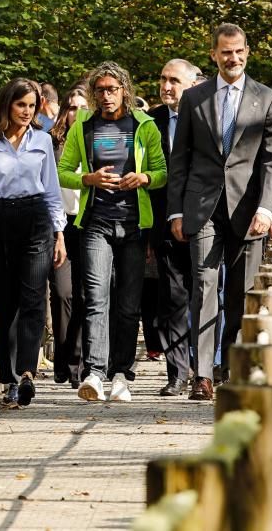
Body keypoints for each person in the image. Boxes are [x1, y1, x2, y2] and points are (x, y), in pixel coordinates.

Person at [167, 24, 272, 401]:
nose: (232, 58)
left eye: (238, 52)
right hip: (202, 208)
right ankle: (201, 375)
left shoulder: (267, 100)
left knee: (239, 293)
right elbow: (179, 160)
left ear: (247, 53)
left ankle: (229, 369)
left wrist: (268, 209)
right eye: (225, 52)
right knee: (203, 287)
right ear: (214, 55)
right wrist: (175, 213)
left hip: (249, 212)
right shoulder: (194, 98)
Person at [58, 62, 167, 403]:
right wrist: (88, 179)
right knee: (95, 298)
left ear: (124, 90)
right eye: (100, 90)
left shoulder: (144, 126)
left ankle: (123, 372)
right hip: (95, 223)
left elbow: (162, 172)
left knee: (129, 303)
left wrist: (144, 178)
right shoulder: (83, 127)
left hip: (134, 224)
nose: (106, 96)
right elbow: (62, 172)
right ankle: (94, 372)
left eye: (112, 90)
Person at [0, 78, 67, 407]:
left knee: (34, 296)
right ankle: (8, 377)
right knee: (3, 300)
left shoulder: (42, 140)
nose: (27, 111)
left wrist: (59, 233)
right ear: (8, 104)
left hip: (36, 218)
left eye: (32, 105)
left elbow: (51, 188)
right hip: (0, 219)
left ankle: (26, 372)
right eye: (21, 104)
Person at [148, 59, 203, 396]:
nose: (166, 86)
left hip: (205, 221)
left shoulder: (207, 117)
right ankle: (177, 373)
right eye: (163, 79)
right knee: (171, 300)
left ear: (193, 85)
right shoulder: (150, 122)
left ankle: (206, 370)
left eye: (174, 81)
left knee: (207, 297)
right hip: (164, 223)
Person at [48, 84, 90, 389]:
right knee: (63, 293)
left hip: (89, 222)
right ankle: (62, 359)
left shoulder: (97, 139)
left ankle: (77, 362)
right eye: (72, 106)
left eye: (82, 106)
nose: (76, 112)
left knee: (87, 296)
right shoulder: (52, 142)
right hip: (59, 225)